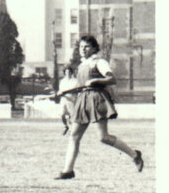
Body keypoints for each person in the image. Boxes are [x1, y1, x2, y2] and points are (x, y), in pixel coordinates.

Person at [55, 35, 144, 179]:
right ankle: (68, 170)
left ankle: (135, 155)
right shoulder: (81, 65)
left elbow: (112, 79)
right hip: (83, 100)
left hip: (96, 99)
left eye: (87, 47)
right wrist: (63, 92)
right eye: (81, 47)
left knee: (103, 137)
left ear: (94, 48)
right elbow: (80, 86)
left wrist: (96, 80)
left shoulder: (100, 62)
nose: (83, 49)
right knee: (74, 135)